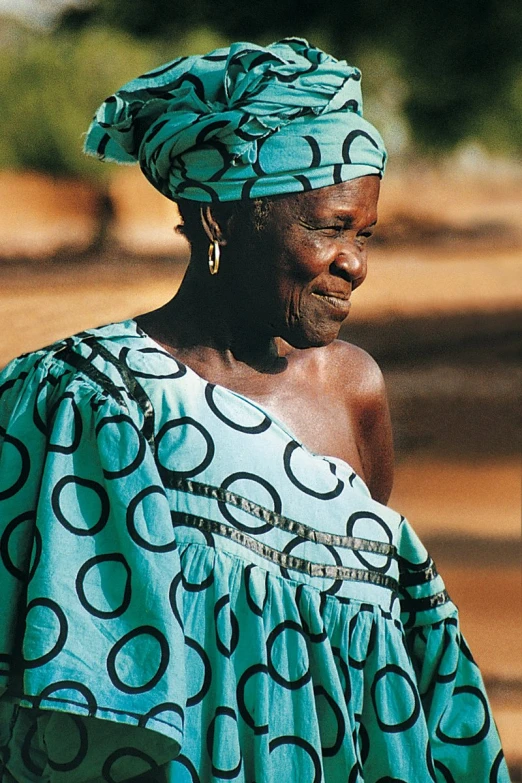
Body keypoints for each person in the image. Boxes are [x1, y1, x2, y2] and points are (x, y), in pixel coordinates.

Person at [0, 38, 509, 783]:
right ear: (219, 221)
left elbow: (360, 634)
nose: (356, 264)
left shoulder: (353, 390)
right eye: (328, 228)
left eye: (363, 234)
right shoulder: (88, 399)